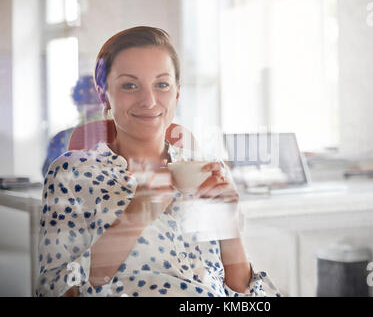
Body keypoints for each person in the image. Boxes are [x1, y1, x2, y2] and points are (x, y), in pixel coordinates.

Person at [36, 26, 281, 297]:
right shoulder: (72, 172)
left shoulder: (209, 170)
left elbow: (245, 296)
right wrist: (135, 216)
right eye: (130, 85)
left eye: (162, 84)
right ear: (104, 94)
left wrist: (229, 226)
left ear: (177, 92)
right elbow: (53, 291)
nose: (149, 101)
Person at [41, 75, 103, 177]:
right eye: (85, 103)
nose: (92, 109)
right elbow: (48, 175)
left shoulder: (119, 137)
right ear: (78, 105)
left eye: (97, 103)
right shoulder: (60, 139)